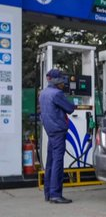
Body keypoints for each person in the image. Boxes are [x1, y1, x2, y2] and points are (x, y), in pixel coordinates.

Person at [39, 68, 75, 204]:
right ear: (57, 81)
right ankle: (56, 194)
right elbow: (70, 108)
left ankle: (48, 193)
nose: (63, 84)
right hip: (58, 131)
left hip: (50, 130)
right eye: (62, 81)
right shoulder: (57, 94)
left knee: (50, 161)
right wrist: (71, 101)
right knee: (58, 162)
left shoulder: (43, 93)